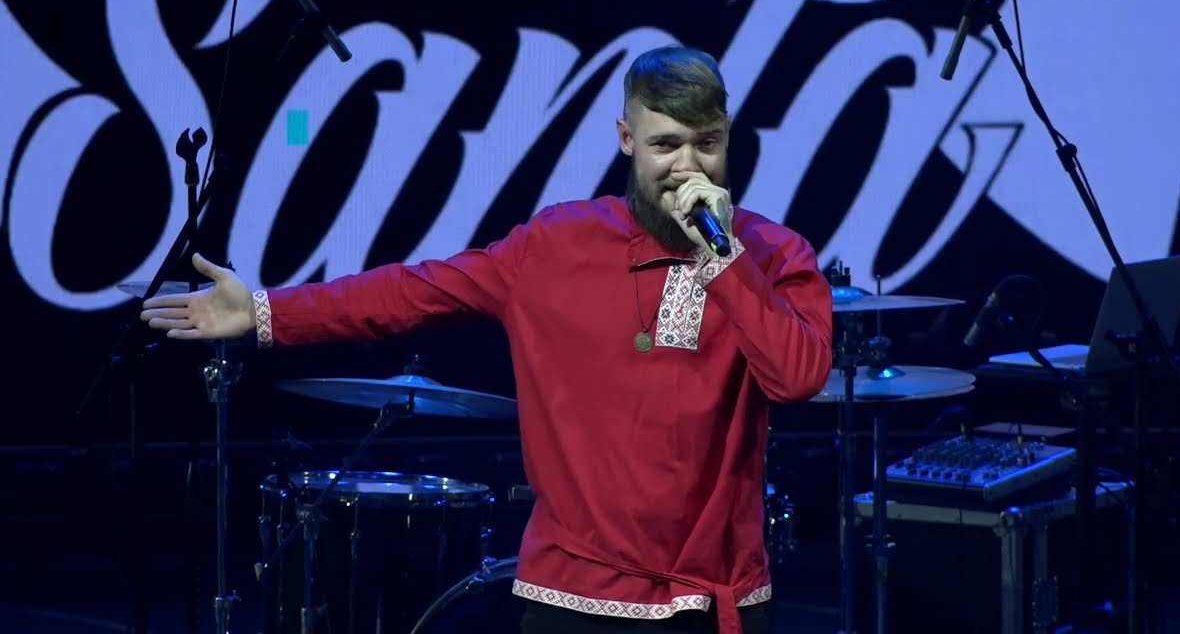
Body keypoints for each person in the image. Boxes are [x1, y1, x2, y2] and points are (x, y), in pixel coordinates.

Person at [141, 45, 834, 634]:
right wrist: (265, 312)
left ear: (728, 136)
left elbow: (798, 376)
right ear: (627, 139)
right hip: (573, 596)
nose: (688, 168)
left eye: (706, 144)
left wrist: (725, 260)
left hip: (717, 599)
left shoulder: (774, 255)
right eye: (665, 145)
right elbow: (409, 293)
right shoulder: (556, 245)